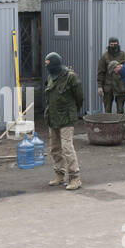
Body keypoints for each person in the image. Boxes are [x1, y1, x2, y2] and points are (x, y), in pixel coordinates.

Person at [43, 51, 84, 190]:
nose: (47, 67)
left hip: (66, 117)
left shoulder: (71, 77)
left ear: (55, 64)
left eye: (49, 64)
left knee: (67, 147)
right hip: (53, 117)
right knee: (54, 148)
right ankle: (59, 175)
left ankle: (75, 178)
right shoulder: (50, 76)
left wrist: (73, 112)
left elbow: (79, 98)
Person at [96, 37, 125, 113]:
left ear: (118, 44)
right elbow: (101, 72)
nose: (113, 46)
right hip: (108, 86)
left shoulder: (123, 55)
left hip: (120, 85)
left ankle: (119, 124)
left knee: (120, 109)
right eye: (111, 44)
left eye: (115, 44)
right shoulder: (104, 56)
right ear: (109, 44)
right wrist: (100, 86)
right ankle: (108, 124)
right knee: (107, 109)